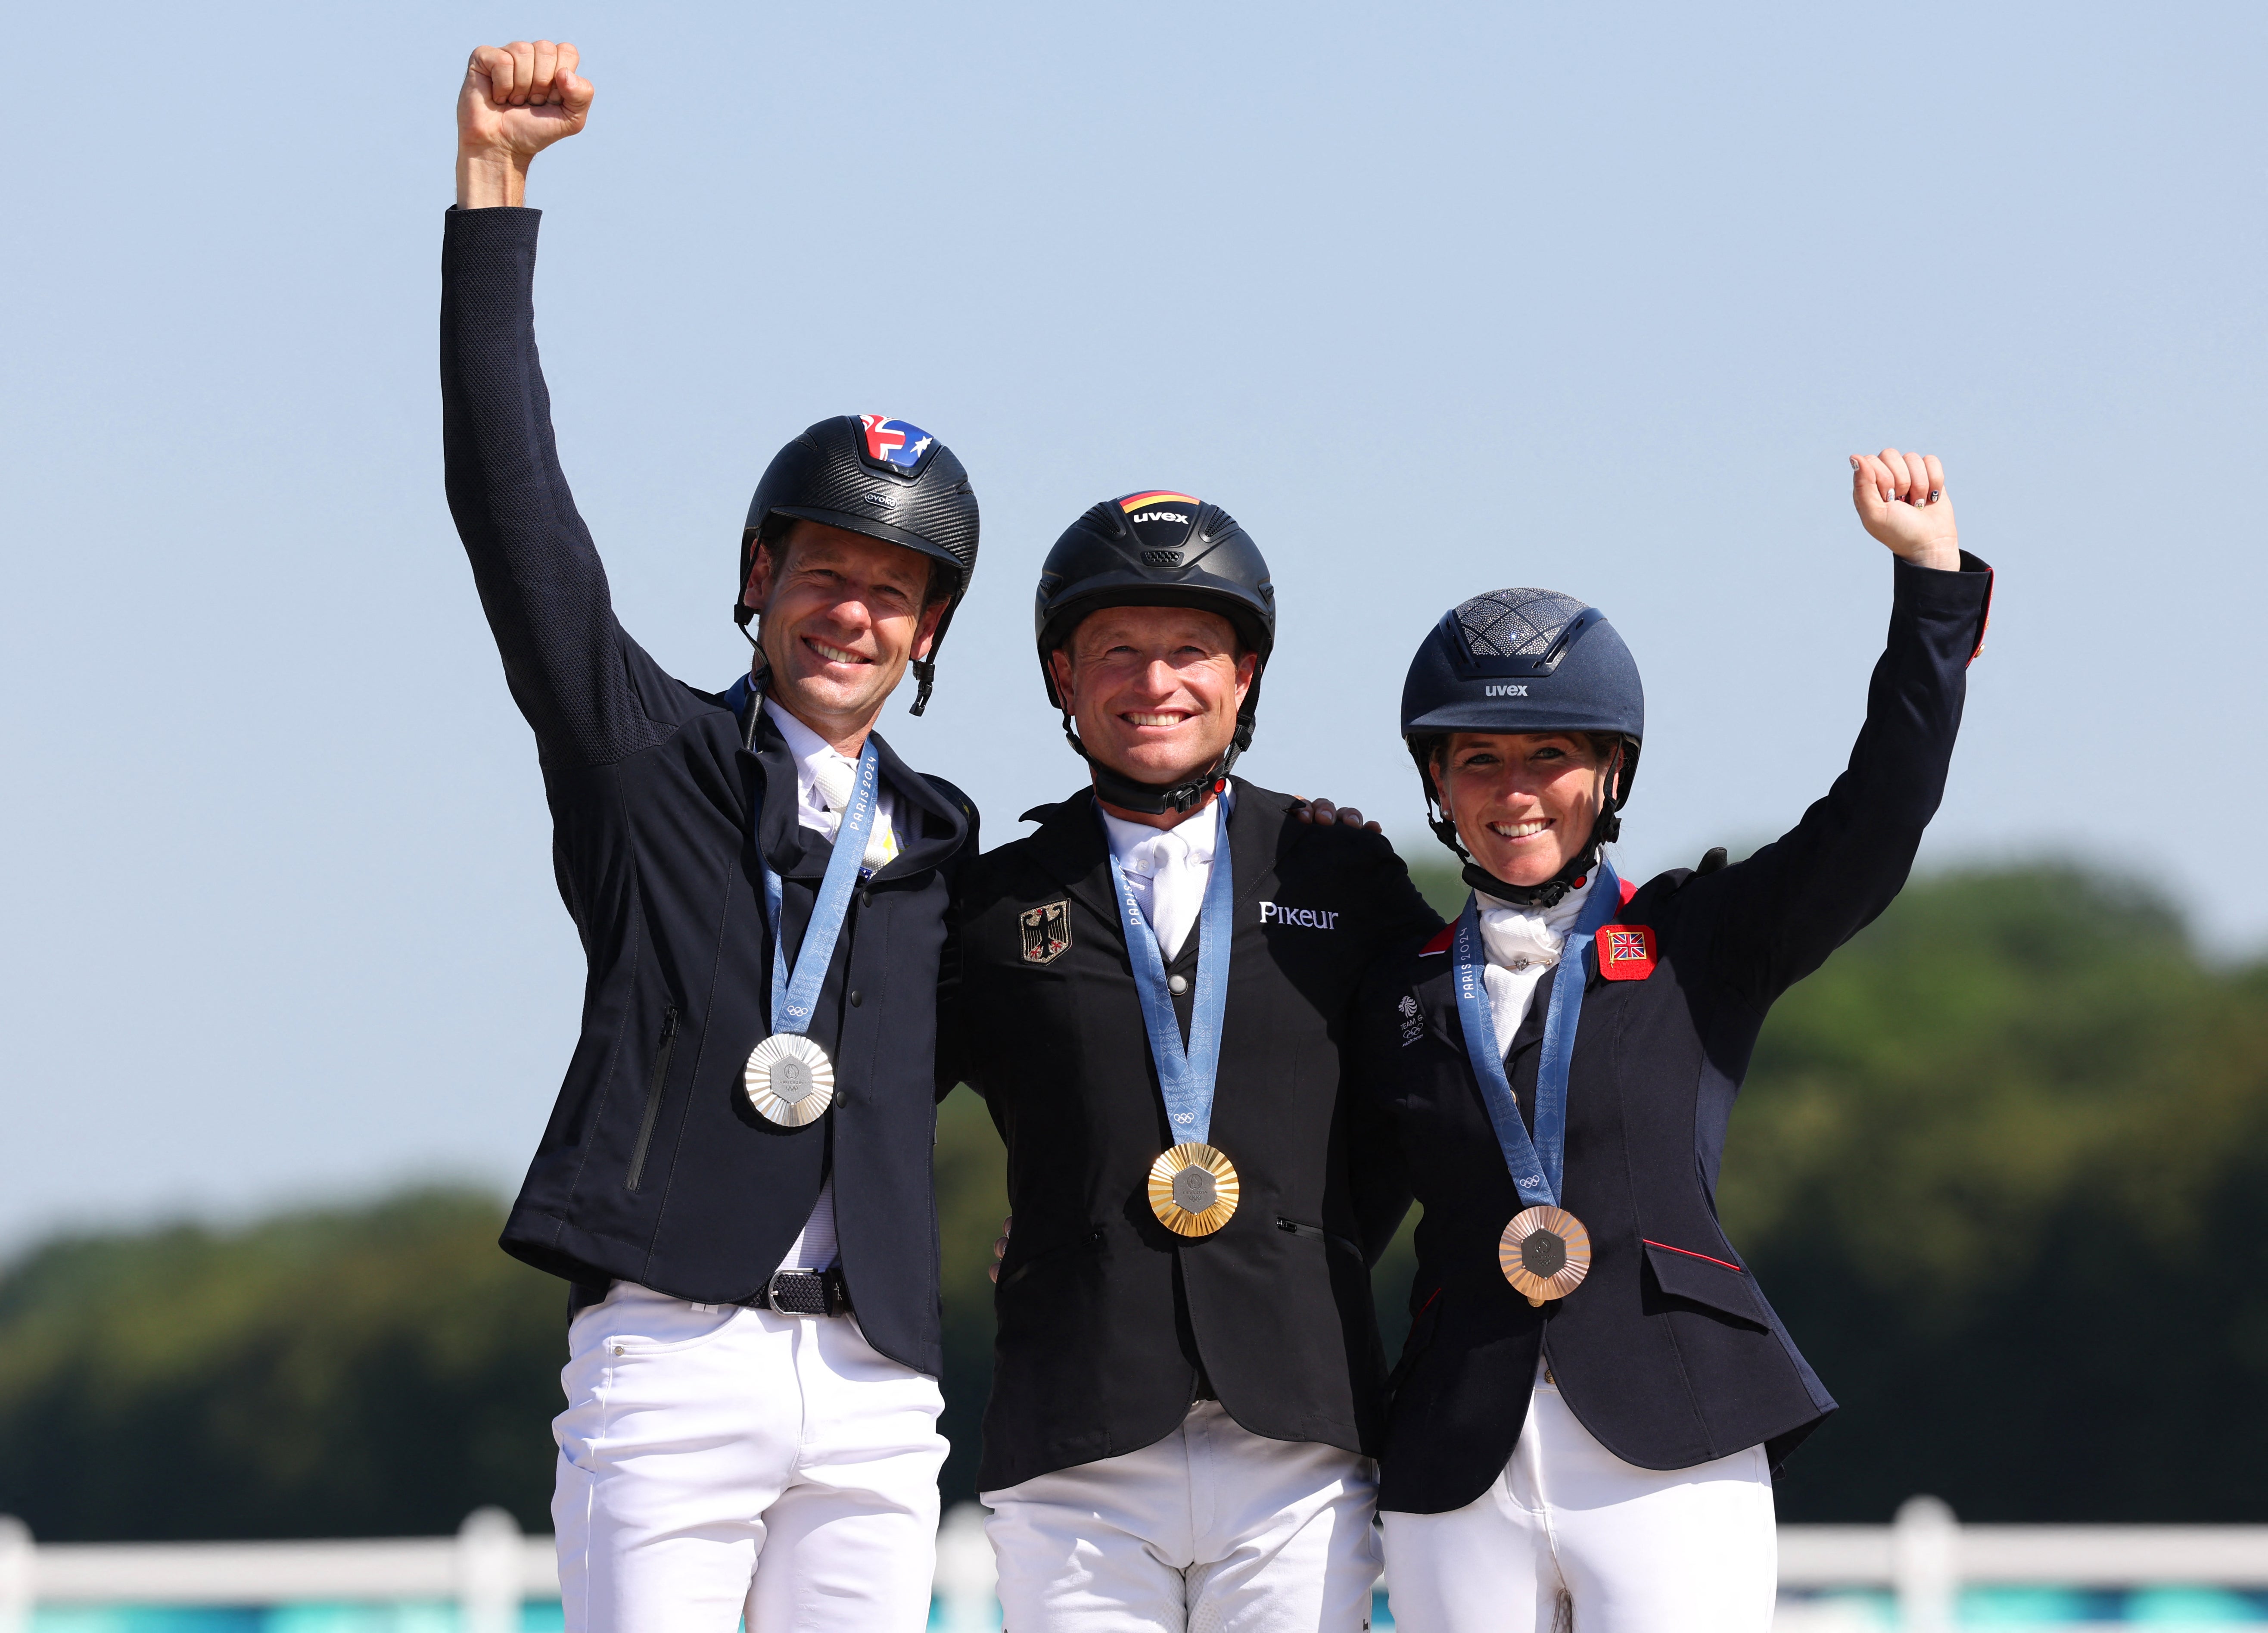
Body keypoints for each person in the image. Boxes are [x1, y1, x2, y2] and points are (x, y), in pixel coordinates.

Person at [442, 42, 983, 1633]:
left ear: (927, 638)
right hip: (671, 1359)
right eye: (822, 570)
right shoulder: (644, 755)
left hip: (879, 1379)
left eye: (892, 594)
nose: (851, 613)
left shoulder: (949, 848)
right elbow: (511, 502)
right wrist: (496, 189)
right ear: (755, 579)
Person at [1352, 452, 1991, 1632]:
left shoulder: (1702, 940)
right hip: (1453, 1453)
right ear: (1438, 782)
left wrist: (1929, 584)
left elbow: (1881, 809)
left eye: (1550, 756)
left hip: (1670, 1432)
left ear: (1609, 770)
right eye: (1478, 761)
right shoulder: (1392, 985)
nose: (1516, 792)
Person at [940, 492, 1443, 1633]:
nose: (1154, 682)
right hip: (1076, 1441)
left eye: (1189, 651)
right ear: (1063, 675)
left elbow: (1433, 1083)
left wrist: (1309, 1232)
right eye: (1117, 651)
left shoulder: (1339, 871)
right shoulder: (994, 901)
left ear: (1244, 675)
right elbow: (874, 1102)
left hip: (1297, 1428)